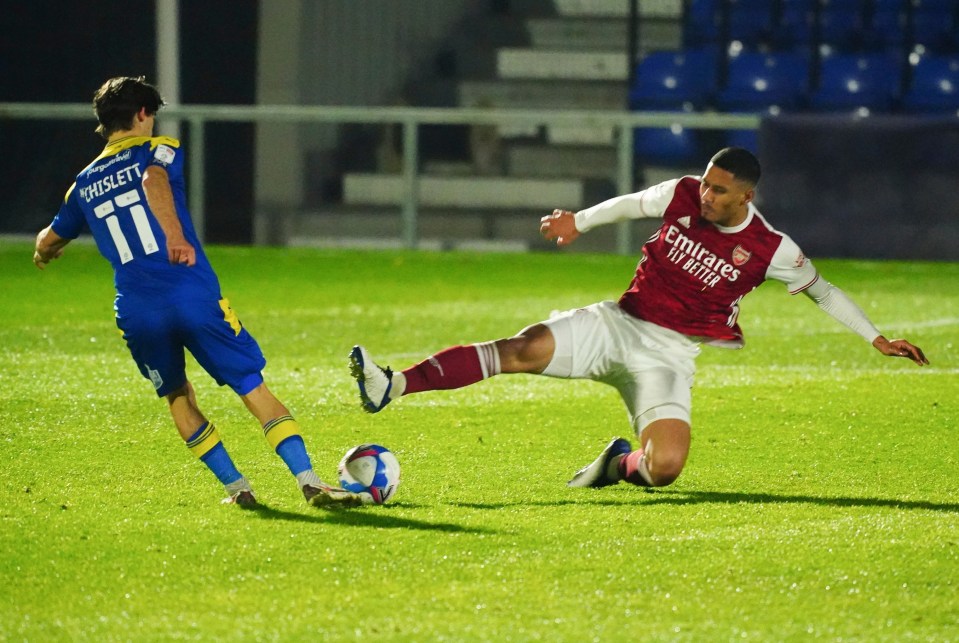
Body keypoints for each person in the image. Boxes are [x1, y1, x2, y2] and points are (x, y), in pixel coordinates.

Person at [349, 147, 928, 490]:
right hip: (617, 323)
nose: (705, 194)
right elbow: (631, 205)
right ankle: (391, 384)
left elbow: (822, 292)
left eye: (720, 190)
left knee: (666, 468)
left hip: (668, 356)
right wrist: (579, 221)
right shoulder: (680, 193)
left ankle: (616, 464)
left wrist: (876, 338)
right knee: (518, 349)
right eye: (705, 181)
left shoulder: (770, 248)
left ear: (746, 196)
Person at [33, 76, 360, 509]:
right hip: (190, 291)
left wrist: (45, 252)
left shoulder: (83, 183)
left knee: (177, 394)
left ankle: (237, 487)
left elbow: (48, 241)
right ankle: (308, 479)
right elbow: (153, 181)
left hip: (136, 309)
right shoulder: (158, 149)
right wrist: (174, 236)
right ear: (143, 114)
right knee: (250, 385)